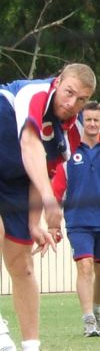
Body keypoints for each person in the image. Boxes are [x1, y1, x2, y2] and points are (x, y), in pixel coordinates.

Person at [0, 63, 96, 351]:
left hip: (17, 179)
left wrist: (33, 222)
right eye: (68, 93)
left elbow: (45, 168)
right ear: (59, 79)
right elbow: (30, 144)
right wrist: (49, 198)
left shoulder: (74, 129)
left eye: (81, 99)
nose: (71, 104)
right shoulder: (35, 93)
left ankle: (31, 346)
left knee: (23, 264)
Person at [52, 100, 100, 337]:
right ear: (82, 121)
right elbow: (56, 191)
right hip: (79, 221)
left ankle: (97, 310)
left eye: (96, 120)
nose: (91, 124)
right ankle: (89, 320)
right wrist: (52, 223)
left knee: (98, 272)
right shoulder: (69, 152)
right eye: (88, 119)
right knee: (85, 266)